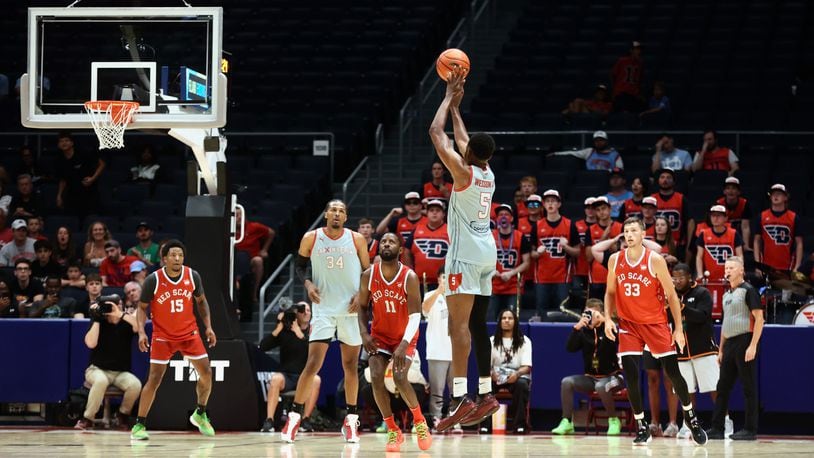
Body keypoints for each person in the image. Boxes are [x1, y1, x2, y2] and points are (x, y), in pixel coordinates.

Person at [429, 67, 500, 431]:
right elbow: (463, 140)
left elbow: (436, 134)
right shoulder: (487, 173)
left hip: (465, 255)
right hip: (488, 253)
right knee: (477, 323)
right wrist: (458, 108)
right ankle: (486, 391)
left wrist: (444, 99)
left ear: (469, 152)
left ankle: (459, 398)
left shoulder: (462, 172)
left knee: (457, 326)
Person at [604, 217, 707, 445]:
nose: (629, 235)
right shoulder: (614, 260)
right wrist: (608, 319)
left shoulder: (655, 260)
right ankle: (643, 426)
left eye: (633, 231)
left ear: (643, 235)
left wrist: (678, 329)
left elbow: (672, 296)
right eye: (626, 231)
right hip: (629, 324)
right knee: (631, 374)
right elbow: (610, 292)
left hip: (655, 323)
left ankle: (690, 417)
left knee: (672, 373)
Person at [281, 199, 370, 443]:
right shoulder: (311, 238)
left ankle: (351, 420)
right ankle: (294, 417)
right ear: (326, 214)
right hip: (323, 310)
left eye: (341, 211)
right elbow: (299, 265)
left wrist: (361, 294)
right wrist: (308, 284)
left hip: (350, 312)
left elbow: (368, 271)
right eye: (333, 210)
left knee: (350, 367)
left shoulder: (356, 239)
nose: (337, 214)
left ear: (346, 217)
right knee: (312, 365)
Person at [131, 240, 217, 440]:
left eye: (180, 255)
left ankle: (200, 414)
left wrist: (209, 327)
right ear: (164, 258)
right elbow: (142, 307)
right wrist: (142, 332)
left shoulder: (192, 276)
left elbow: (202, 302)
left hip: (189, 334)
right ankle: (139, 425)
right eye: (173, 255)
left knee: (206, 372)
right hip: (163, 336)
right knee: (154, 379)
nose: (177, 258)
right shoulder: (154, 280)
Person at [355, 232, 432, 452]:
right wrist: (364, 334)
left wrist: (403, 344)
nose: (387, 244)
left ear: (400, 250)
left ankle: (419, 421)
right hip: (379, 336)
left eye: (392, 242)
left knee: (399, 378)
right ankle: (392, 430)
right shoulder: (368, 275)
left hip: (404, 336)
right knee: (376, 378)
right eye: (384, 241)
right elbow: (361, 307)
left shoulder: (410, 277)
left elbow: (416, 315)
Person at [671, 264, 733, 439]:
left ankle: (725, 421)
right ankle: (688, 424)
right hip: (681, 351)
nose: (677, 281)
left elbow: (703, 316)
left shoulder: (702, 293)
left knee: (714, 387)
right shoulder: (671, 295)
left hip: (703, 349)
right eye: (674, 278)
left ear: (690, 277)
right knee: (685, 390)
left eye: (681, 277)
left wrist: (682, 308)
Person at [706, 257, 764, 441]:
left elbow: (760, 319)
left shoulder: (748, 291)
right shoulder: (726, 295)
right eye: (726, 268)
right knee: (722, 387)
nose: (727, 271)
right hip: (729, 343)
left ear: (741, 270)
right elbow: (725, 324)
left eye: (731, 267)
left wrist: (753, 345)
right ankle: (717, 428)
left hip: (745, 340)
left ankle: (750, 429)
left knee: (748, 387)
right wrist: (721, 350)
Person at [552, 299, 624, 436]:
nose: (590, 315)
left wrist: (604, 321)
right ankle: (567, 421)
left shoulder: (610, 328)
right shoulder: (584, 332)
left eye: (593, 312)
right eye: (587, 312)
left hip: (613, 378)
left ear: (601, 313)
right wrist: (577, 328)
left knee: (601, 386)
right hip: (591, 378)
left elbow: (614, 344)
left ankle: (614, 419)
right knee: (567, 382)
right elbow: (570, 348)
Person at [74, 296, 141, 430]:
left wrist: (120, 314)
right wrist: (97, 319)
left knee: (135, 385)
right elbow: (91, 343)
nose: (111, 309)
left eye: (115, 305)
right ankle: (88, 418)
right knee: (101, 381)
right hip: (96, 369)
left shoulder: (126, 322)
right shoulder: (99, 322)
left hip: (120, 372)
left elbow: (139, 326)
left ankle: (122, 415)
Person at [259, 301, 321, 434]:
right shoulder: (285, 331)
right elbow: (263, 346)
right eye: (302, 309)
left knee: (316, 379)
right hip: (286, 376)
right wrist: (279, 327)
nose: (305, 312)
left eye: (308, 310)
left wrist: (300, 335)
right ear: (295, 314)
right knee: (275, 379)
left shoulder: (313, 331)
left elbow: (314, 354)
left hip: (304, 376)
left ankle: (305, 420)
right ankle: (269, 420)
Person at [530, 190, 580, 320]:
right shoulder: (537, 226)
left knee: (563, 313)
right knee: (541, 313)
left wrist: (566, 247)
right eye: (547, 201)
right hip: (541, 277)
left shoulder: (570, 225)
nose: (550, 204)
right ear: (544, 205)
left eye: (553, 201)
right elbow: (531, 254)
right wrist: (537, 253)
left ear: (559, 204)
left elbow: (578, 252)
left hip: (563, 278)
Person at [421, 266, 455, 431]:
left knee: (457, 389)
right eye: (443, 277)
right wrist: (438, 292)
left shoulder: (458, 297)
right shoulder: (430, 295)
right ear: (439, 279)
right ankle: (436, 419)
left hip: (455, 352)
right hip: (436, 351)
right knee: (437, 390)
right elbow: (425, 309)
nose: (446, 280)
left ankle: (455, 419)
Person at [489, 309, 532, 434]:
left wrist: (517, 374)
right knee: (483, 386)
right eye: (503, 318)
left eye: (510, 318)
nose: (506, 321)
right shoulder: (492, 341)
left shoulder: (524, 341)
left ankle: (520, 425)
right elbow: (486, 365)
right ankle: (485, 425)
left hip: (516, 375)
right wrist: (492, 374)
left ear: (515, 322)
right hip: (496, 375)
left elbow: (527, 367)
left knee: (522, 385)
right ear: (499, 322)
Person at [490, 204, 531, 320]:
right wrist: (492, 270)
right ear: (496, 219)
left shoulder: (520, 237)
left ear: (512, 218)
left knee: (512, 320)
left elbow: (527, 263)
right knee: (491, 320)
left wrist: (511, 273)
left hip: (513, 286)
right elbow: (481, 259)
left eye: (506, 214)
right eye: (500, 215)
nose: (503, 217)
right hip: (493, 286)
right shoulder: (490, 237)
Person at [754, 183, 803, 273]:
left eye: (779, 194)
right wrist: (757, 264)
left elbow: (799, 243)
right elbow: (756, 241)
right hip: (766, 265)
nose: (775, 196)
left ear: (786, 197)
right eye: (773, 194)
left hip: (787, 266)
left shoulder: (794, 217)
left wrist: (797, 266)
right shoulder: (761, 216)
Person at [54, 131, 105, 218]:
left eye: (66, 140)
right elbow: (62, 179)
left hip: (89, 192)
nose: (64, 143)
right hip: (72, 194)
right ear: (58, 145)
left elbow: (102, 164)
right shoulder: (59, 160)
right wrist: (59, 196)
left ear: (72, 143)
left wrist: (92, 178)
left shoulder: (83, 153)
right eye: (61, 141)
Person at [404, 199, 448, 295]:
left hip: (443, 282)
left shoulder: (450, 231)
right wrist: (410, 270)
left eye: (438, 210)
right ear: (427, 213)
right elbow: (406, 250)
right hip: (420, 282)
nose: (434, 213)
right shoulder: (417, 230)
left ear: (443, 214)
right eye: (431, 210)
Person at [235, 207, 275, 305]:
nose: (238, 218)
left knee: (258, 260)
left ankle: (254, 293)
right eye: (235, 215)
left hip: (251, 259)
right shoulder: (229, 231)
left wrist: (264, 249)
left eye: (240, 215)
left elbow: (271, 232)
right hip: (236, 260)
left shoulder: (254, 227)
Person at [585, 197, 623, 299]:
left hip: (617, 277)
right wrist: (603, 238)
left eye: (604, 208)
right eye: (598, 210)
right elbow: (588, 257)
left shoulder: (621, 227)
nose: (601, 212)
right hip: (597, 278)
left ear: (610, 209)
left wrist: (616, 248)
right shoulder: (590, 230)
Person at [696, 205, 744, 282]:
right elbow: (699, 257)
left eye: (719, 216)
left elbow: (740, 255)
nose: (715, 218)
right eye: (713, 216)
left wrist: (739, 271)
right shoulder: (704, 234)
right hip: (710, 278)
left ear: (725, 218)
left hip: (730, 278)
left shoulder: (734, 234)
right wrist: (700, 274)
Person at [652, 168, 692, 251]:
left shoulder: (681, 198)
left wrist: (688, 244)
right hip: (654, 243)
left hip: (677, 243)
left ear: (674, 182)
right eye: (662, 177)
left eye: (668, 177)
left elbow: (690, 221)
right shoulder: (652, 199)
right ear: (658, 180)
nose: (665, 180)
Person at [548, 131, 624, 171]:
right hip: (589, 177)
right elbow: (573, 153)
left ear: (606, 141)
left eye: (601, 140)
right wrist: (556, 153)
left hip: (606, 178)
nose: (599, 142)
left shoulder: (614, 154)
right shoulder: (589, 151)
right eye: (596, 140)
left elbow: (620, 168)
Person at [572, 197, 597, 296]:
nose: (590, 210)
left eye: (593, 207)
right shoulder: (576, 225)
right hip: (579, 268)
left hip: (596, 268)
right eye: (587, 207)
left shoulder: (601, 226)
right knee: (578, 297)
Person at [610, 41, 644, 113]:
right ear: (631, 50)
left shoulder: (640, 64)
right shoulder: (622, 61)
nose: (639, 51)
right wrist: (615, 91)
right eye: (636, 49)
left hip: (633, 95)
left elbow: (638, 80)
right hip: (622, 93)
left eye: (639, 49)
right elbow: (613, 75)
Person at [716, 177, 752, 242]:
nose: (731, 191)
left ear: (739, 192)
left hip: (739, 233)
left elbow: (745, 227)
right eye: (728, 188)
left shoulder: (744, 204)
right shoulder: (719, 204)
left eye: (734, 188)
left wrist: (745, 245)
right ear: (724, 191)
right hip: (723, 233)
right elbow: (717, 224)